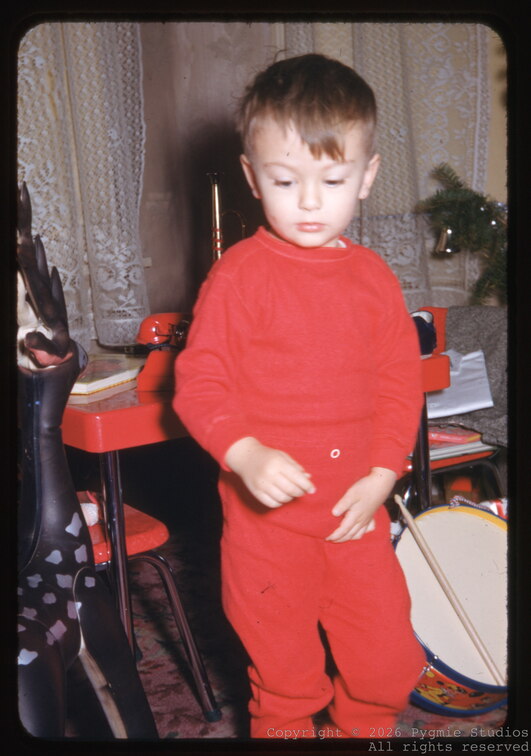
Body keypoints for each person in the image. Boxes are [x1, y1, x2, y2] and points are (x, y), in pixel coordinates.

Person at [174, 53, 426, 739]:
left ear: (366, 176)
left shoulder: (374, 279)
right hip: (267, 530)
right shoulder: (240, 275)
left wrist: (384, 473)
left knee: (387, 664)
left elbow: (399, 384)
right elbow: (199, 381)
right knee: (285, 677)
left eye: (332, 180)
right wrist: (243, 451)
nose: (309, 202)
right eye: (285, 181)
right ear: (252, 176)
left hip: (355, 516)